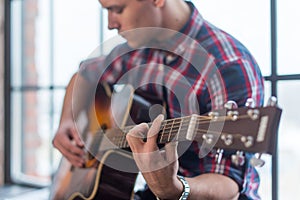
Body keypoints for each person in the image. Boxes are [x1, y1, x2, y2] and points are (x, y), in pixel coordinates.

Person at [52, 0, 264, 199]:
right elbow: (83, 76)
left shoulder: (227, 66)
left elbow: (229, 186)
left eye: (117, 9)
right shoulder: (140, 47)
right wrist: (67, 122)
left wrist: (172, 189)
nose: (110, 24)